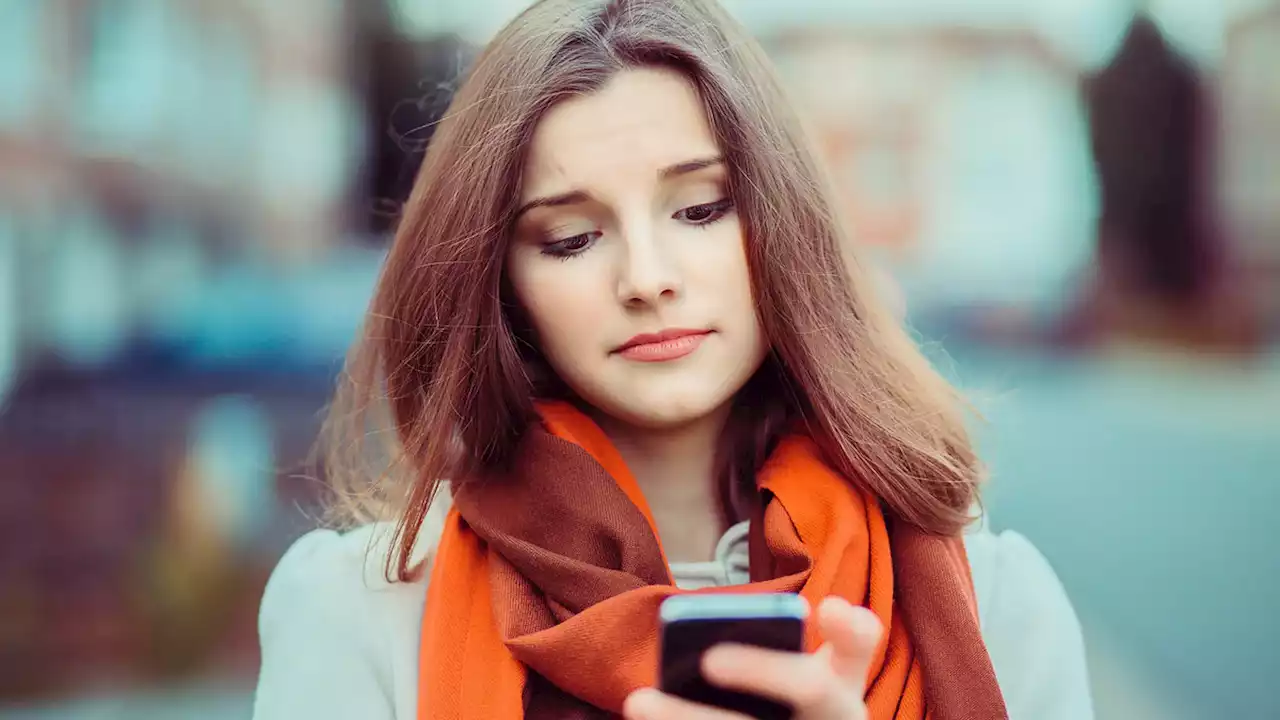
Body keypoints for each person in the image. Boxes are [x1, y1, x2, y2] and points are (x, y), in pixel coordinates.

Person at [253, 1, 1093, 718]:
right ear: (501, 283)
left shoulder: (1000, 603)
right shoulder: (360, 609)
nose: (648, 279)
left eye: (700, 209)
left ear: (784, 222)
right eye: (572, 236)